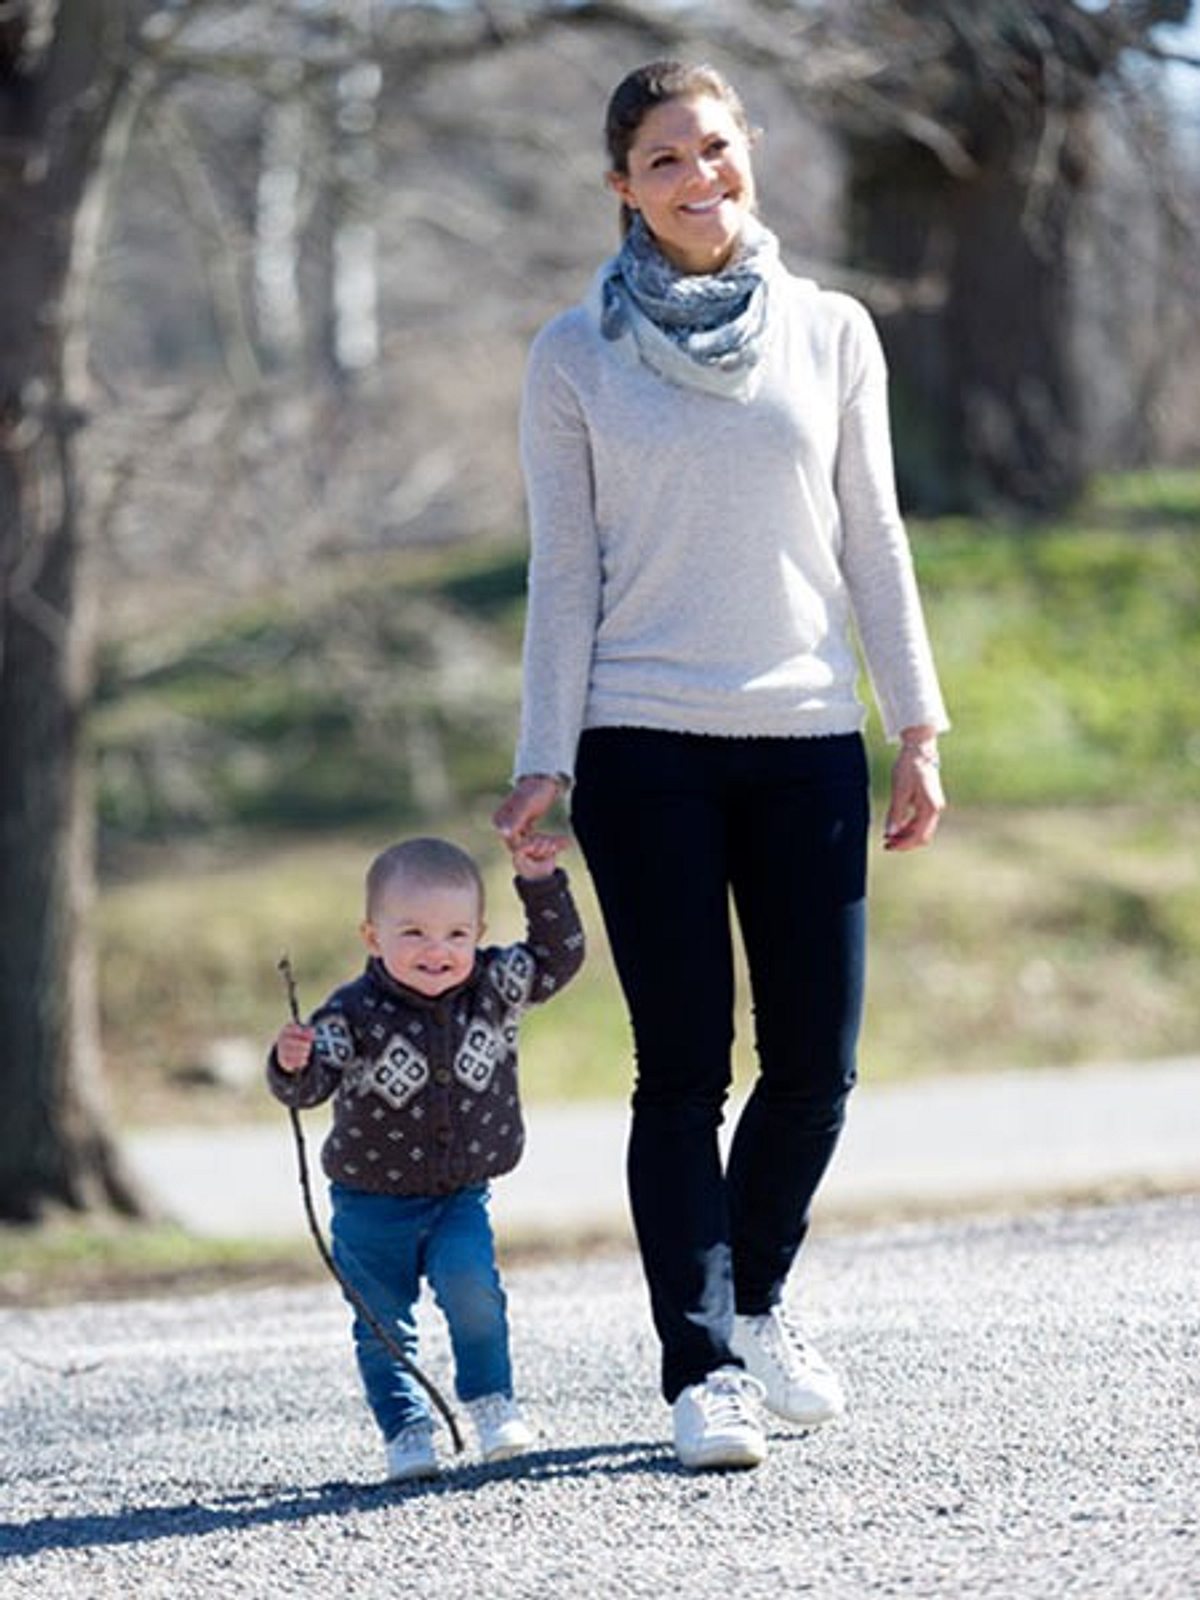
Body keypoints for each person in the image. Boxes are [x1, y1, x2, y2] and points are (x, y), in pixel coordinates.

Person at [494, 60, 948, 1472]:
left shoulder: (831, 333)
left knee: (816, 1064)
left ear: (749, 153)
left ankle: (752, 1302)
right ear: (624, 187)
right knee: (683, 1068)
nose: (701, 178)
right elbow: (564, 575)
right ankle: (701, 1374)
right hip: (643, 747)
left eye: (716, 147)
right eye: (666, 160)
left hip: (808, 738)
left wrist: (916, 722)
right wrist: (542, 759)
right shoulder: (575, 355)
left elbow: (873, 534)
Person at [267, 834, 585, 1481]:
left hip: (458, 1197)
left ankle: (492, 1401)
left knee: (473, 1292)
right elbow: (308, 1086)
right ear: (371, 935)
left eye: (455, 934)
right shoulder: (351, 1014)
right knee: (382, 1323)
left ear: (478, 934)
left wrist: (540, 882)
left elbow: (558, 957)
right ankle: (407, 1428)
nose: (436, 951)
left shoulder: (495, 985)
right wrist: (289, 1062)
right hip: (368, 1203)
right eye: (411, 932)